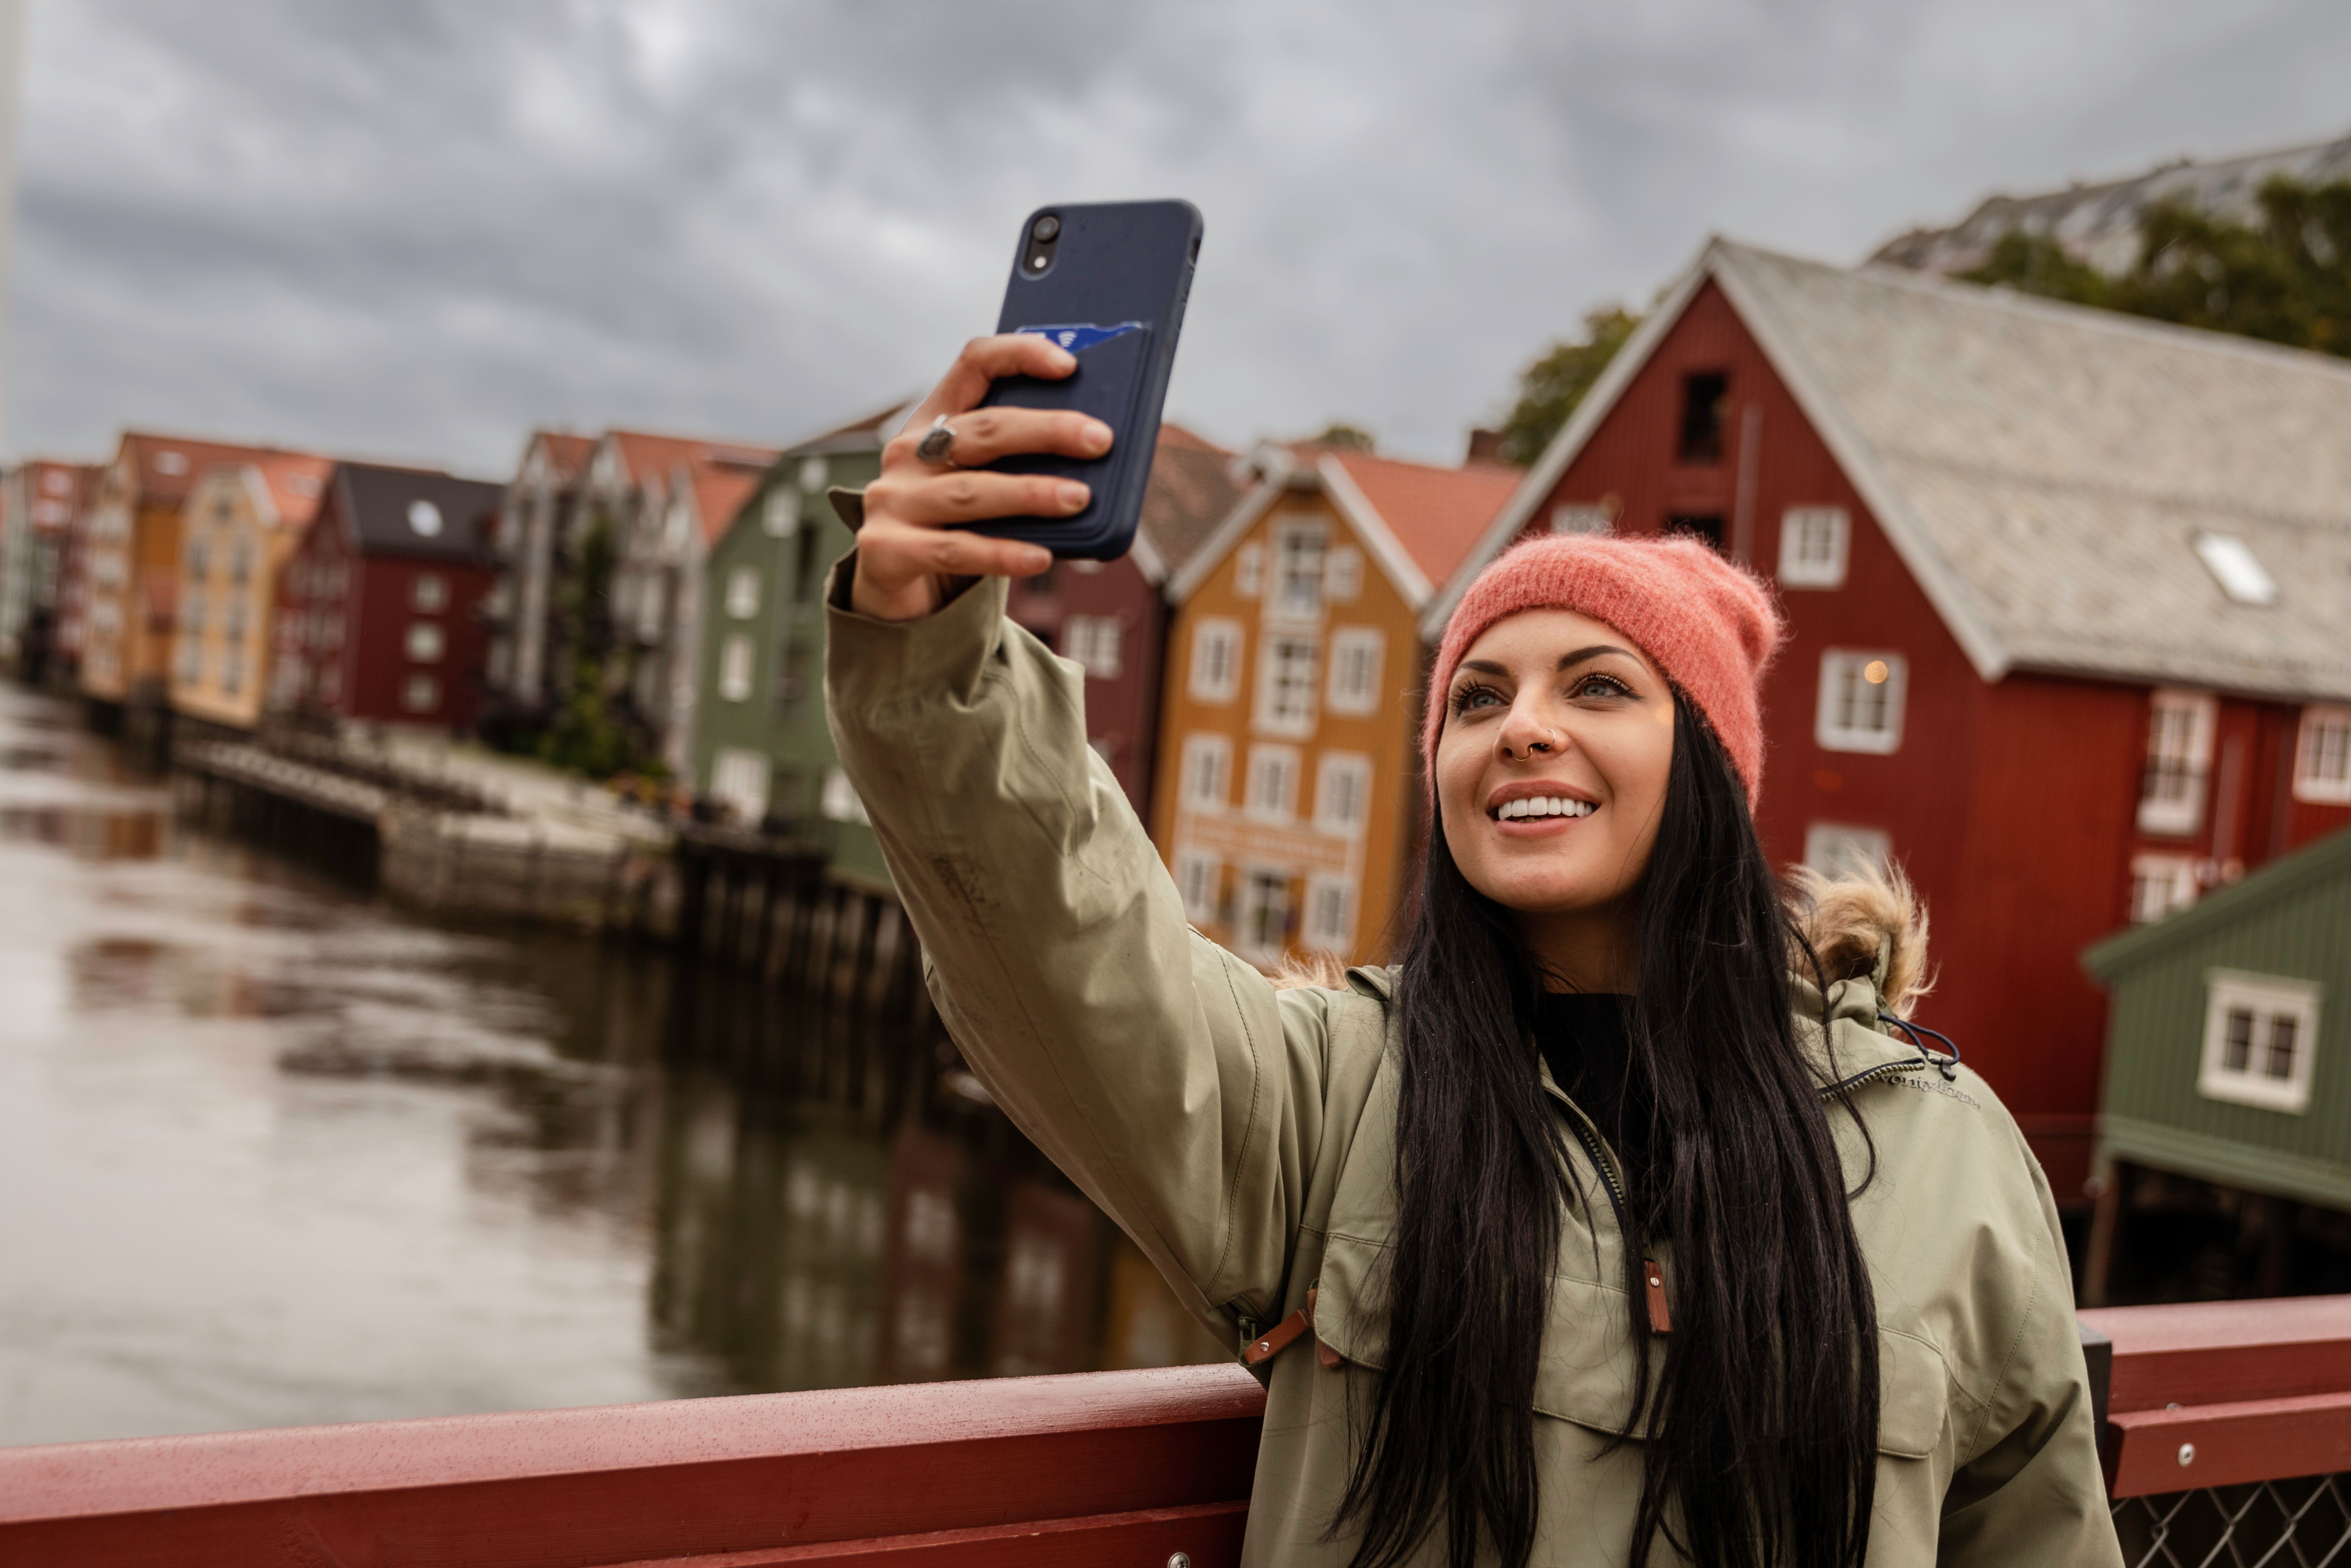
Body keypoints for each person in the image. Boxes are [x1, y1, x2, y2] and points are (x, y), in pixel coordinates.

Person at [824, 333, 2122, 1568]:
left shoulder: (1942, 1157)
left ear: (1714, 772)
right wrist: (936, 649)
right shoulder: (1333, 1104)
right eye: (1480, 697)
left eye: (1599, 687)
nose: (1521, 729)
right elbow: (1069, 950)